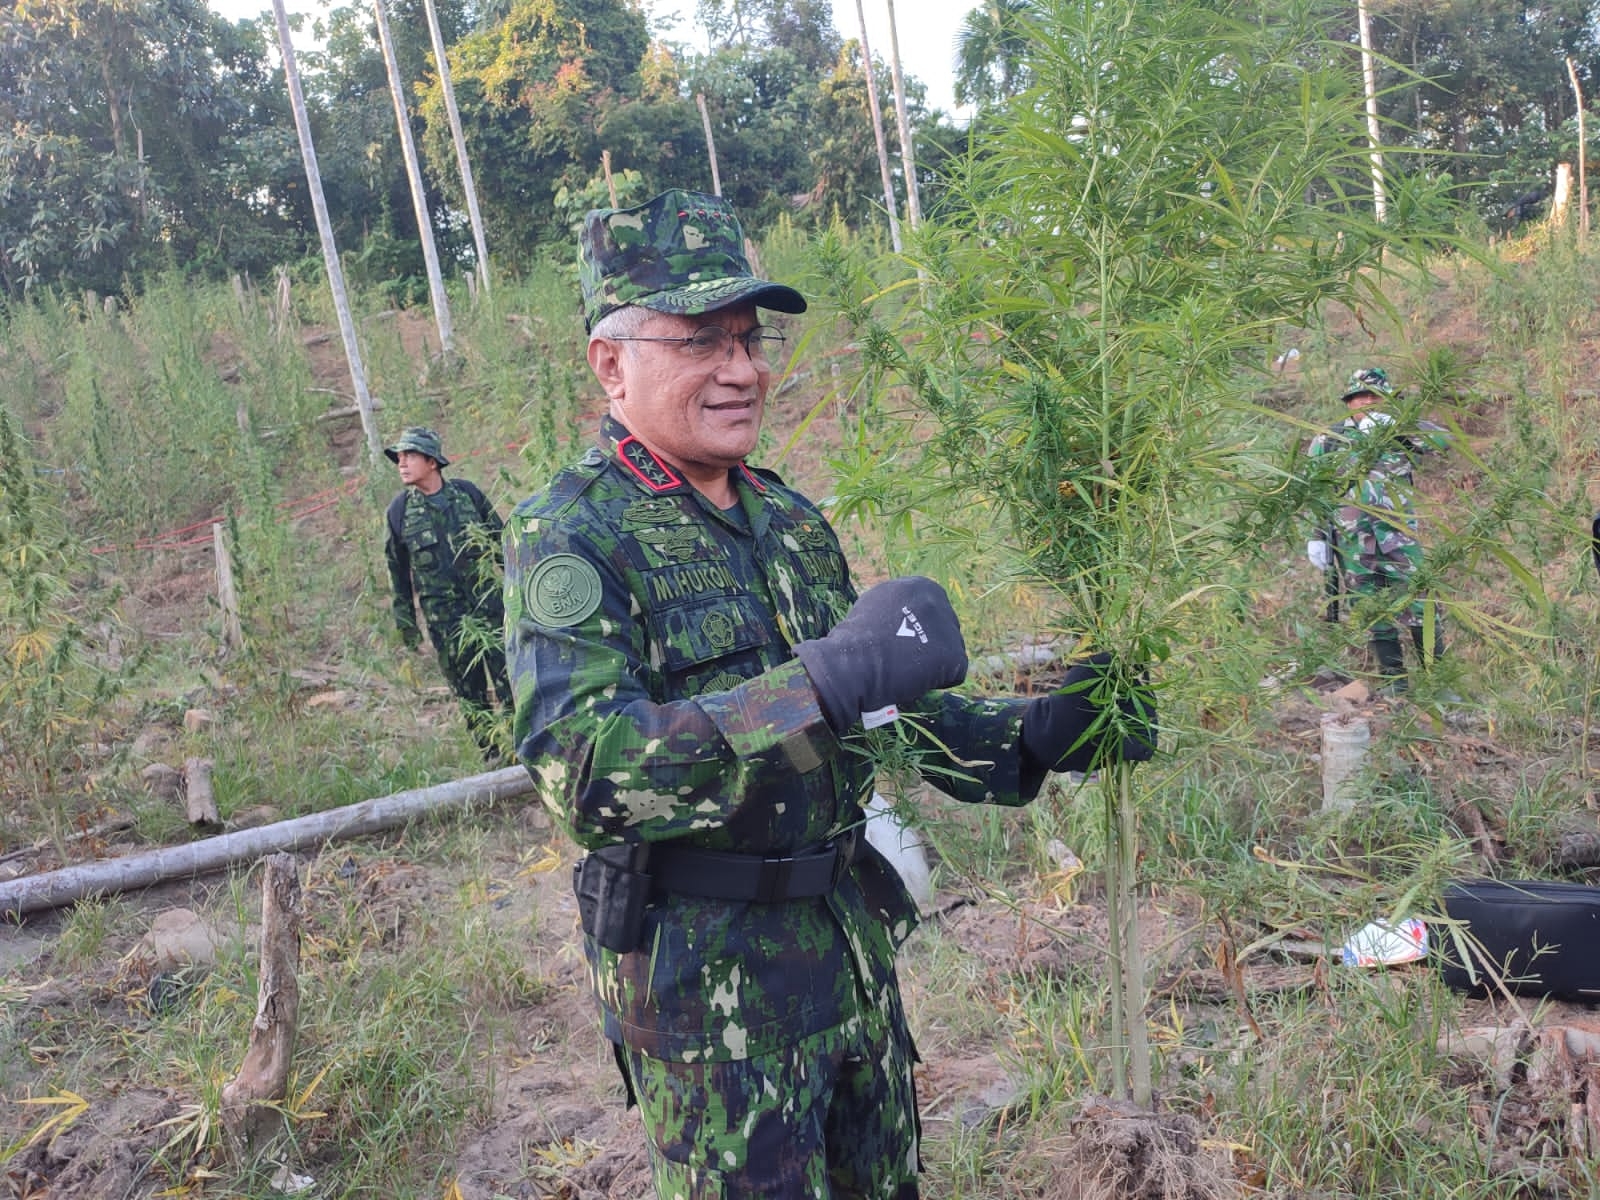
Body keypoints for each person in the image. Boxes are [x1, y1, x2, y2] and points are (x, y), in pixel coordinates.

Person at [504, 188, 1155, 1199]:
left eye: (748, 338)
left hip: (846, 950)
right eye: (698, 342)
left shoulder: (788, 520)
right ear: (610, 362)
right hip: (709, 1000)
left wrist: (1032, 738)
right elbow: (585, 775)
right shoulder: (573, 534)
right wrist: (813, 683)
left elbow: (878, 722)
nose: (741, 369)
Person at [1305, 366, 1451, 694]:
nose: (1368, 402)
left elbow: (1443, 440)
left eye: (1375, 396)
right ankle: (1394, 684)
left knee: (1420, 605)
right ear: (1349, 401)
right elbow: (1314, 489)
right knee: (1373, 610)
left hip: (1399, 538)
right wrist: (1317, 536)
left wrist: (1400, 426)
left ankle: (1437, 684)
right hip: (1353, 542)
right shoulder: (1329, 440)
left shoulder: (1398, 430)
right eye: (1361, 396)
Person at [383, 425, 511, 761]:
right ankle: (492, 757)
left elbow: (502, 547)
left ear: (432, 462)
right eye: (399, 456)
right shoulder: (399, 512)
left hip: (491, 610)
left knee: (510, 683)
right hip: (447, 624)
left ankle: (520, 750)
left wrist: (520, 595)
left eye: (409, 455)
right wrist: (407, 625)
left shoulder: (468, 495)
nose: (401, 462)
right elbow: (398, 573)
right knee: (468, 693)